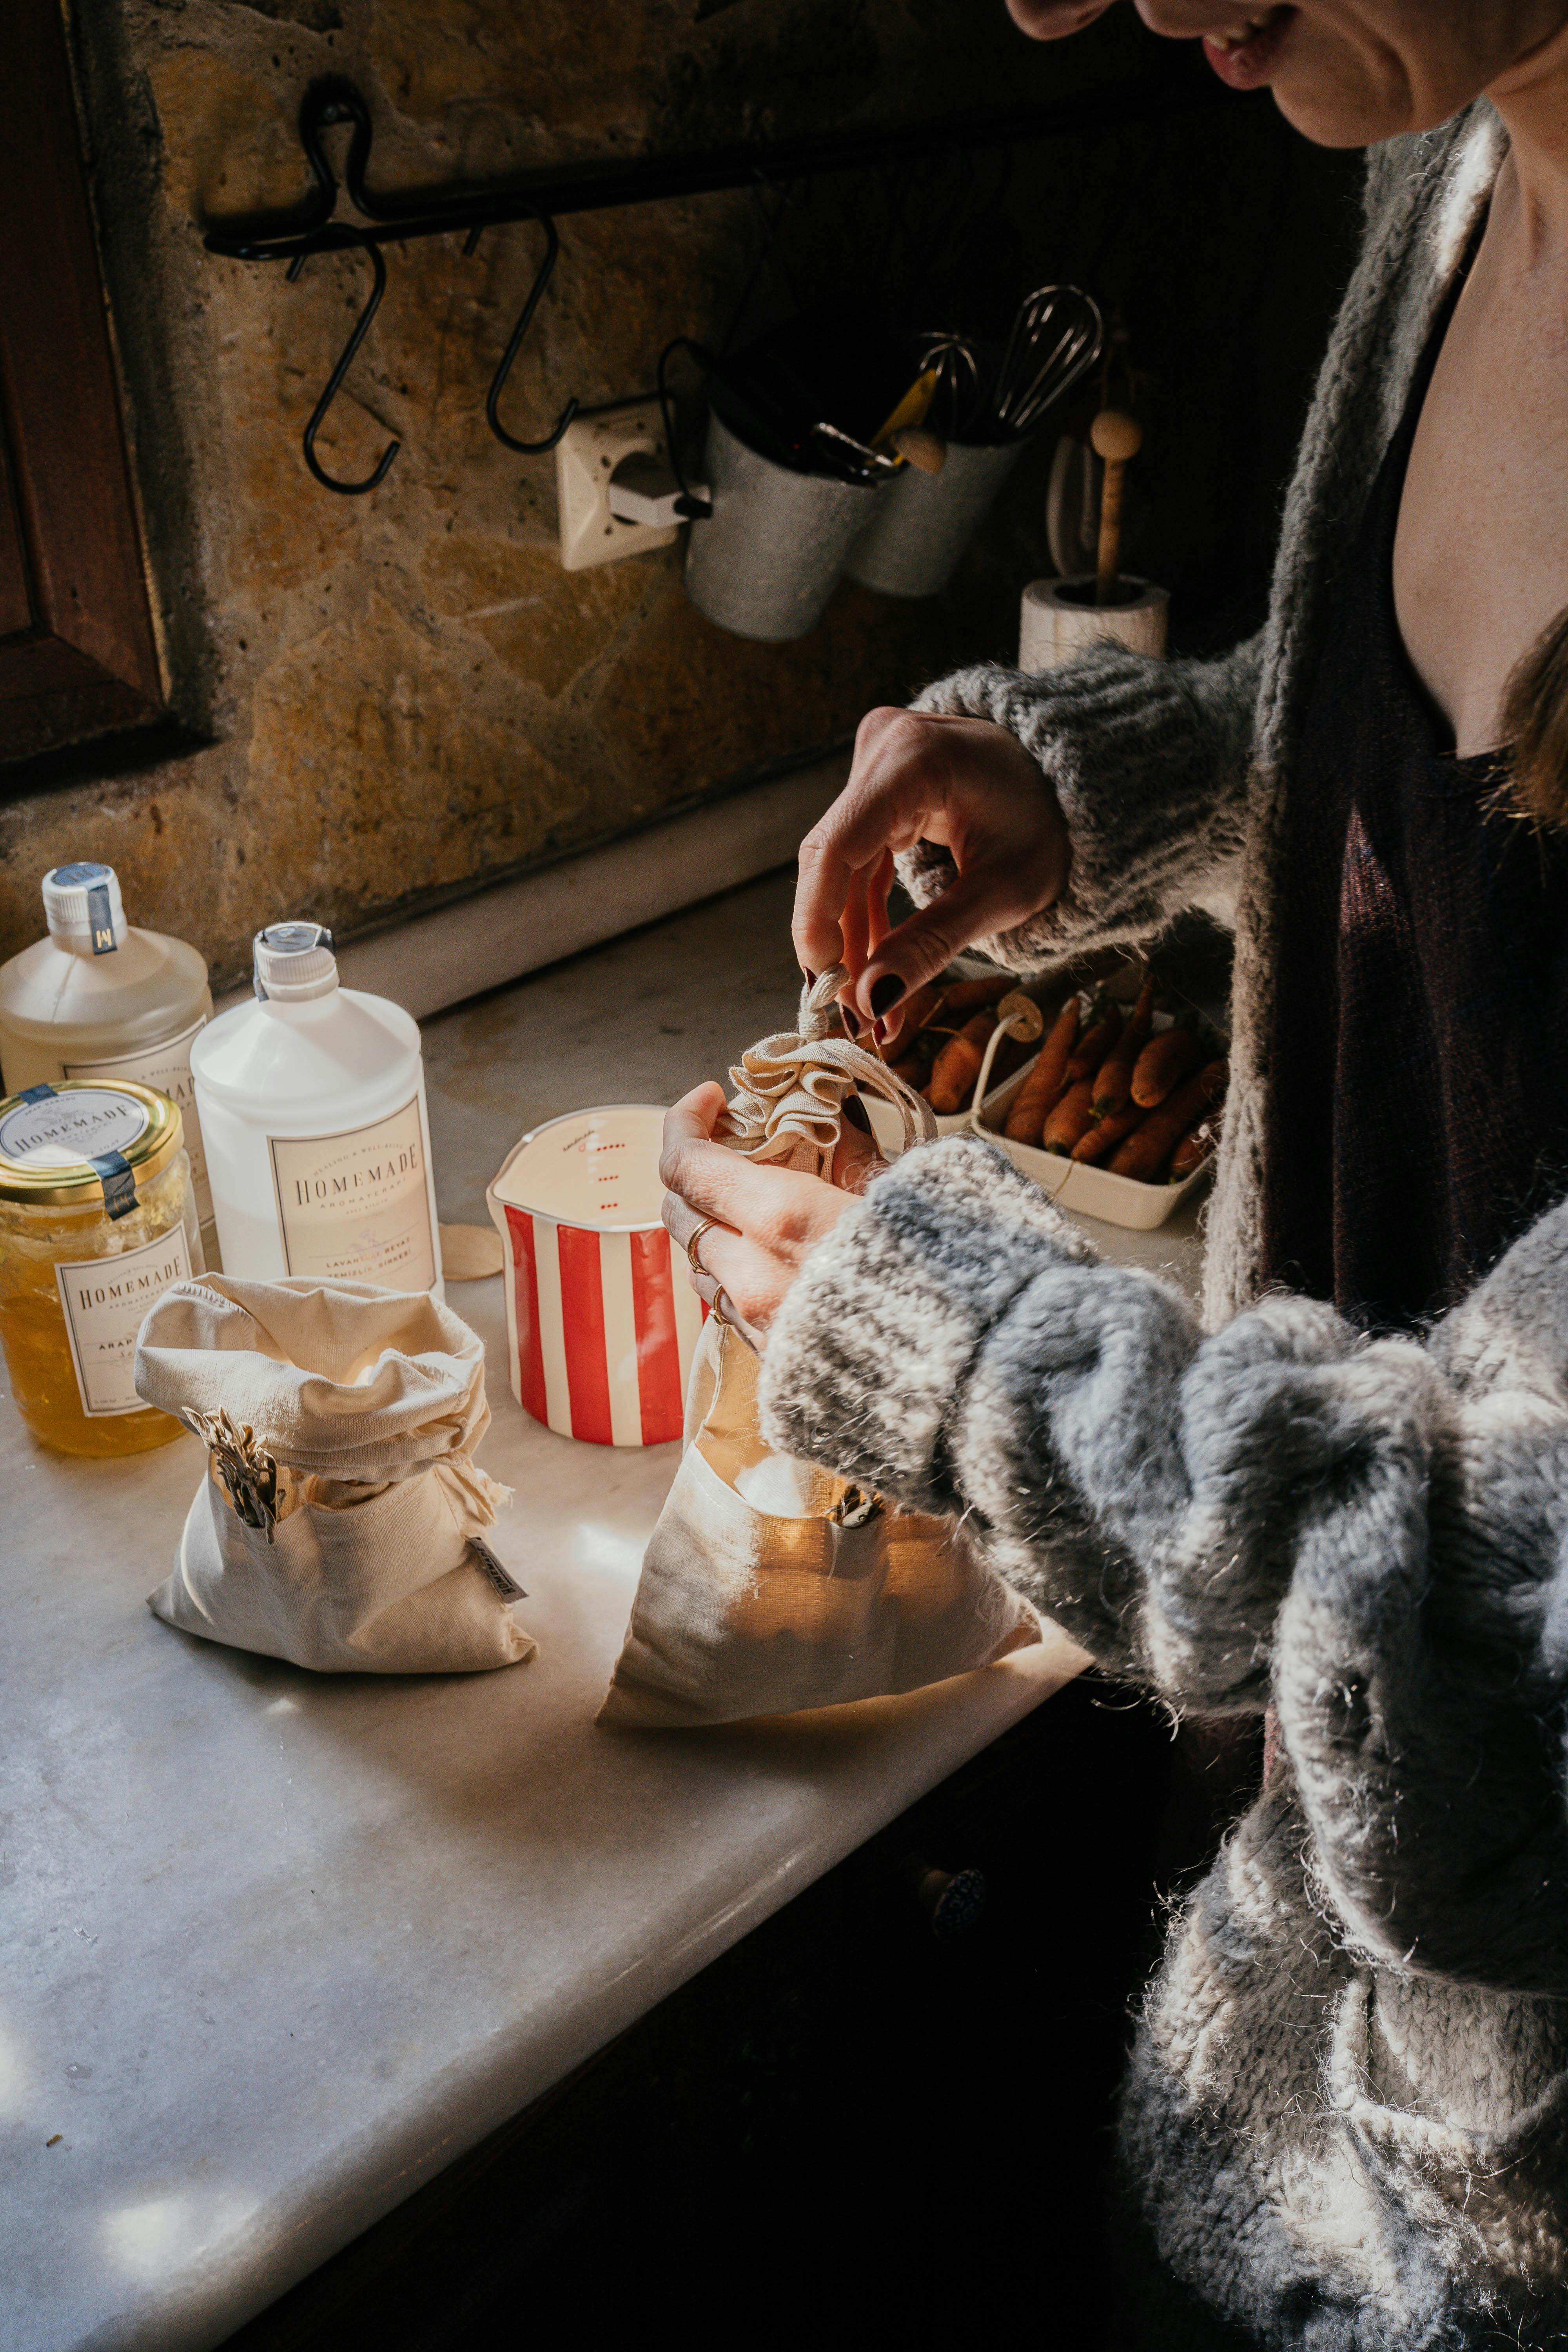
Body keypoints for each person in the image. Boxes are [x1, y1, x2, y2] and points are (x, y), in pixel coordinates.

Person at [662, 4, 1568, 2345]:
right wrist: (1118, 781)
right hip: (1299, 1969)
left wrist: (961, 1351)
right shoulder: (1458, 170)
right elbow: (1466, 749)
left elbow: (1499, 1611)